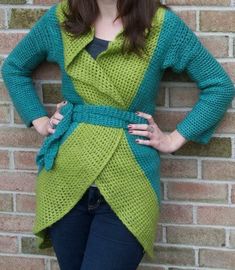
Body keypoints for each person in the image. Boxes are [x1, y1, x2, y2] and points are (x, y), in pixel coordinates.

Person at [1, 0, 235, 269]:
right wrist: (40, 120)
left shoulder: (161, 26)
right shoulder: (64, 17)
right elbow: (14, 67)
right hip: (65, 179)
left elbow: (218, 86)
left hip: (129, 182)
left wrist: (173, 139)